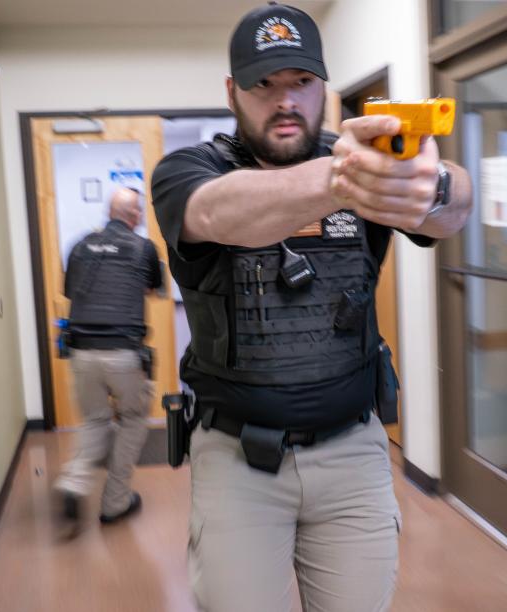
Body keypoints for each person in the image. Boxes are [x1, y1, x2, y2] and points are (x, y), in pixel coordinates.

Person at [150, 3, 473, 610]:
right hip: (237, 461)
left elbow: (452, 209)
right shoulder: (188, 171)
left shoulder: (367, 168)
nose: (285, 101)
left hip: (353, 453)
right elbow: (217, 212)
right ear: (232, 92)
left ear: (323, 85)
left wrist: (437, 181)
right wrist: (349, 178)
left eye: (301, 82)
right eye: (263, 84)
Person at [54, 186, 164, 526]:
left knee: (95, 419)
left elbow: (69, 291)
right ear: (135, 217)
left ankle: (73, 480)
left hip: (81, 351)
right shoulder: (144, 248)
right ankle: (115, 502)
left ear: (109, 212)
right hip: (124, 352)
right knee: (132, 419)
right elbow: (154, 289)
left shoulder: (79, 246)